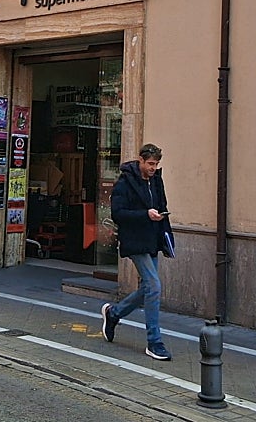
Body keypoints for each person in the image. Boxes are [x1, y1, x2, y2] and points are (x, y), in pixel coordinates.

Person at [100, 143, 174, 361]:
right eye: (150, 163)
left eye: (156, 164)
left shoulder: (156, 180)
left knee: (148, 288)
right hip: (134, 241)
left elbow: (162, 207)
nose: (153, 168)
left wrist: (166, 238)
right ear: (140, 160)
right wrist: (145, 214)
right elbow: (118, 213)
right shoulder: (125, 181)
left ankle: (113, 313)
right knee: (154, 286)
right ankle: (154, 342)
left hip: (152, 240)